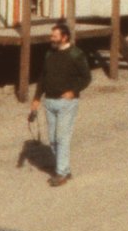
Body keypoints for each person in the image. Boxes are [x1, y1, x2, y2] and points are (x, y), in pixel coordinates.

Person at [36, 20, 92, 187]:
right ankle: (65, 169)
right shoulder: (49, 54)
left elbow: (86, 77)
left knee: (62, 137)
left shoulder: (76, 54)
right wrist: (36, 98)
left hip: (67, 103)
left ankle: (61, 173)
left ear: (64, 37)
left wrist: (73, 91)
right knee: (53, 139)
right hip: (50, 102)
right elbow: (43, 78)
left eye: (54, 35)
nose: (51, 38)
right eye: (51, 35)